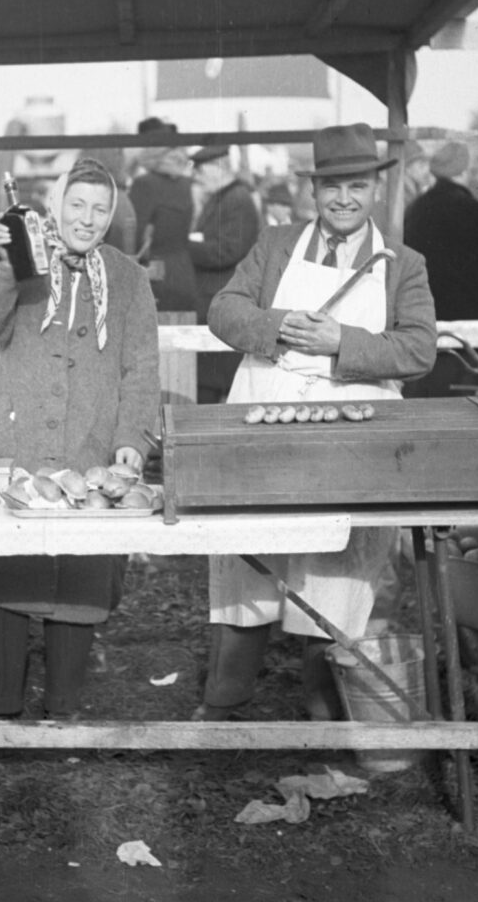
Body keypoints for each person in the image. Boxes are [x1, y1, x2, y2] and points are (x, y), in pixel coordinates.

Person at [198, 122, 437, 721]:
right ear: (314, 191)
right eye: (332, 187)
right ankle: (227, 704)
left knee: (335, 563)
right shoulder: (276, 246)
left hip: (349, 441)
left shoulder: (402, 264)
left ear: (376, 190)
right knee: (247, 558)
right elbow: (222, 310)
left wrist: (342, 341)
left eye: (357, 185)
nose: (344, 200)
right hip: (263, 427)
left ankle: (323, 716)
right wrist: (275, 326)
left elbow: (418, 350)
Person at [0, 157, 160, 719]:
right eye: (77, 205)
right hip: (15, 447)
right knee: (4, 580)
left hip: (88, 448)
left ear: (112, 215)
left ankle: (64, 709)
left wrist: (132, 436)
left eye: (100, 208)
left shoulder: (129, 278)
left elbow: (142, 367)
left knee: (78, 583)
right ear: (57, 206)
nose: (87, 219)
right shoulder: (26, 261)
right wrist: (7, 266)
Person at [403, 141, 478, 397]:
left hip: (426, 321)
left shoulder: (415, 210)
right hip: (471, 327)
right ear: (463, 171)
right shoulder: (475, 211)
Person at [187, 144, 262, 403]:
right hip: (215, 301)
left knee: (218, 390)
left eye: (201, 170)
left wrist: (184, 248)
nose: (196, 176)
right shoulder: (225, 198)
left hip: (222, 302)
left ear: (218, 167)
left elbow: (228, 251)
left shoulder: (236, 200)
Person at [128, 117, 197, 313]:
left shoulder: (144, 184)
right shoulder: (185, 184)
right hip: (184, 273)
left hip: (156, 276)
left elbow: (134, 236)